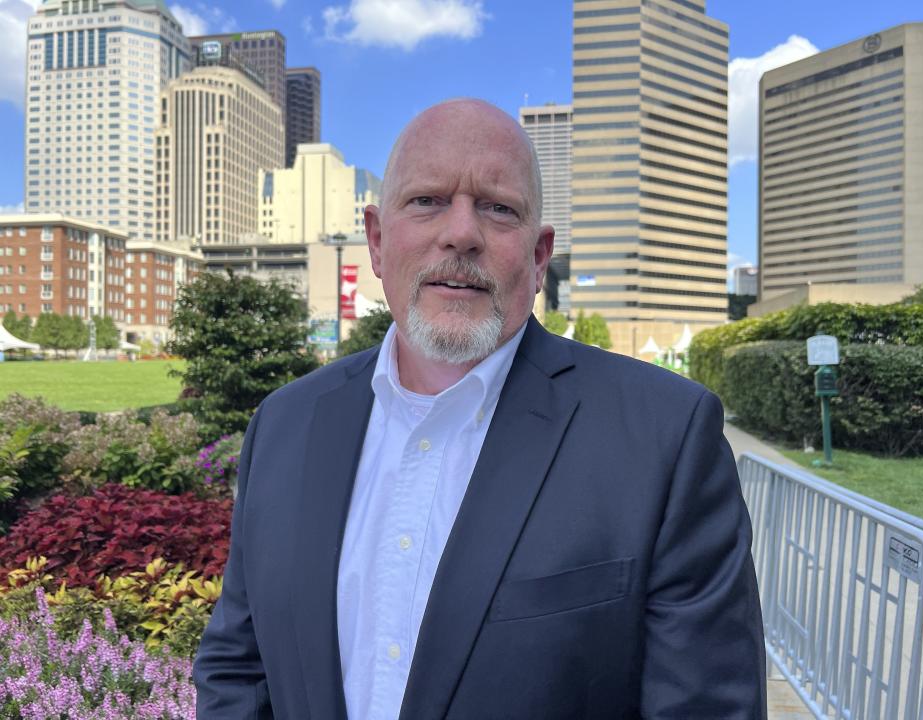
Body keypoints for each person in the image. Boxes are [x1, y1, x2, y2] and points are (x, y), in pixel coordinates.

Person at [194, 98, 766, 719]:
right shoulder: (284, 424)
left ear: (539, 256)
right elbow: (239, 664)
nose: (461, 233)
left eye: (498, 209)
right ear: (377, 242)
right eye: (427, 200)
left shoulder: (666, 440)